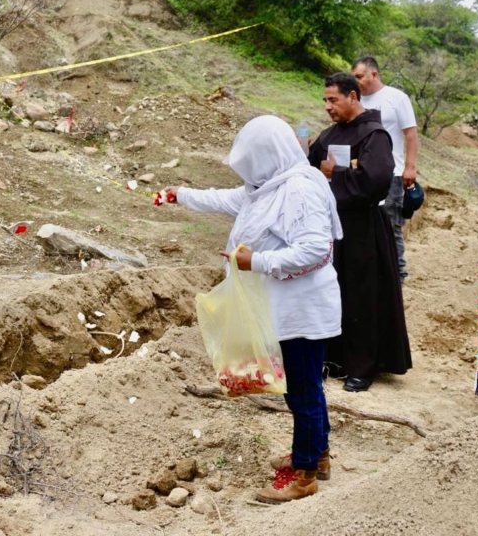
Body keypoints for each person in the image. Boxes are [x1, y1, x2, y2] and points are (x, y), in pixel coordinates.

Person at [163, 115, 344, 504]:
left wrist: (255, 262)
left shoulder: (299, 190)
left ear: (270, 156)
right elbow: (227, 199)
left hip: (304, 310)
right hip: (286, 308)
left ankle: (306, 473)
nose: (250, 175)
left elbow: (316, 249)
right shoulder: (269, 187)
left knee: (303, 392)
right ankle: (317, 455)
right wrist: (182, 194)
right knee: (306, 387)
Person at [307, 72, 411, 393]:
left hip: (364, 226)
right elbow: (309, 169)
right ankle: (333, 358)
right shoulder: (328, 134)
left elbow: (376, 181)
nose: (328, 106)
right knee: (329, 290)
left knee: (361, 294)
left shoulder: (375, 135)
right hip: (331, 227)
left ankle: (362, 366)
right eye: (325, 100)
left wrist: (336, 172)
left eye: (333, 99)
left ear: (353, 97)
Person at [352, 56, 419, 283]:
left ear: (374, 74)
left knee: (391, 225)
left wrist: (410, 167)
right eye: (354, 77)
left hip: (392, 174)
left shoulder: (396, 98)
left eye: (359, 76)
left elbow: (410, 134)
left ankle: (397, 275)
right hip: (361, 173)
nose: (356, 81)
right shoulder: (356, 100)